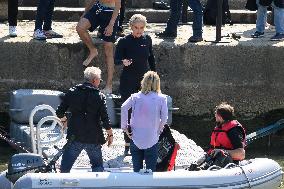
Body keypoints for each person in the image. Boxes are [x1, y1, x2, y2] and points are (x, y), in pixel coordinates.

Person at [56, 66, 113, 172]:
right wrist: (110, 134)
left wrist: (64, 121)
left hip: (75, 136)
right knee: (97, 168)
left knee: (64, 169)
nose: (99, 83)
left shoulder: (72, 92)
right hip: (93, 137)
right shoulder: (99, 96)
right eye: (99, 80)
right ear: (94, 80)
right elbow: (105, 118)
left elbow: (59, 112)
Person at [114, 14, 156, 155]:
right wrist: (123, 61)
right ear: (131, 27)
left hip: (144, 81)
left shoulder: (147, 39)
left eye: (142, 28)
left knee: (146, 111)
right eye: (136, 28)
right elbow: (116, 60)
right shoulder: (124, 41)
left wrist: (154, 75)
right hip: (128, 81)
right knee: (129, 111)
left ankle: (144, 142)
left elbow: (151, 58)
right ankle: (128, 143)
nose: (139, 30)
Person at [121, 71, 168, 172]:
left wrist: (125, 128)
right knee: (151, 171)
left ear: (144, 82)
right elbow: (164, 118)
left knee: (137, 171)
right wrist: (159, 130)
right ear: (157, 83)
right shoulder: (162, 98)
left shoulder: (135, 97)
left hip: (136, 138)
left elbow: (124, 107)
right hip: (152, 138)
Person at [76, 0, 121, 94]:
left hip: (111, 12)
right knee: (80, 27)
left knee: (108, 47)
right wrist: (85, 13)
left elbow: (118, 5)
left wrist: (111, 24)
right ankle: (93, 50)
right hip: (99, 7)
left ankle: (109, 85)